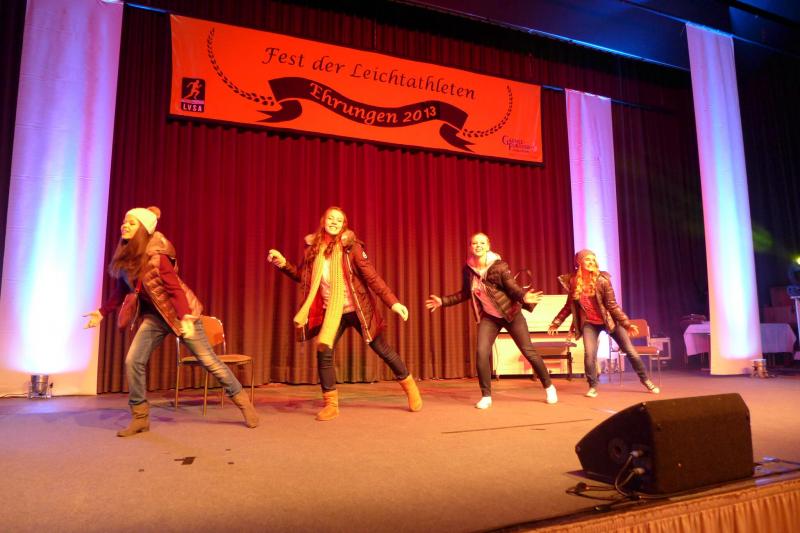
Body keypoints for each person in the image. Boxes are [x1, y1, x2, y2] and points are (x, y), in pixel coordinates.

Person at [84, 206, 259, 436]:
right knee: (133, 361)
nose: (125, 226)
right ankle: (140, 417)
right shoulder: (127, 257)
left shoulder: (158, 256)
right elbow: (121, 290)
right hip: (155, 318)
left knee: (210, 361)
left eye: (132, 223)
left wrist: (185, 316)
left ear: (144, 229)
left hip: (181, 315)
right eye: (124, 222)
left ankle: (244, 403)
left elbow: (175, 288)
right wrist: (101, 312)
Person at [267, 206, 422, 421]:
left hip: (357, 308)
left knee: (382, 349)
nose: (334, 222)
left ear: (343, 225)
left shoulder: (352, 248)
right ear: (323, 222)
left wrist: (393, 302)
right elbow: (304, 277)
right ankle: (331, 404)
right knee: (324, 352)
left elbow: (372, 278)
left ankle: (411, 388)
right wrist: (284, 264)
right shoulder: (313, 249)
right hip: (332, 312)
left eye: (338, 220)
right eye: (330, 218)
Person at [425, 233, 558, 408]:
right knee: (481, 353)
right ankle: (486, 396)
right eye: (474, 243)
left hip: (511, 315)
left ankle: (549, 387)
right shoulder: (468, 270)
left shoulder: (499, 266)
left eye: (482, 243)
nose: (478, 246)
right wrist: (443, 301)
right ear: (470, 247)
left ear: (488, 246)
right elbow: (465, 293)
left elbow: (512, 288)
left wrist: (523, 296)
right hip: (490, 317)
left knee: (528, 351)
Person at [547, 249, 660, 397]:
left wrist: (626, 324)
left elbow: (612, 305)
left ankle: (646, 381)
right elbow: (568, 307)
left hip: (609, 321)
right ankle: (592, 386)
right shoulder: (574, 282)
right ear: (579, 262)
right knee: (589, 355)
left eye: (593, 259)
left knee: (630, 351)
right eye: (587, 259)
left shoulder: (602, 280)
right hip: (589, 323)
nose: (591, 262)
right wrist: (556, 323)